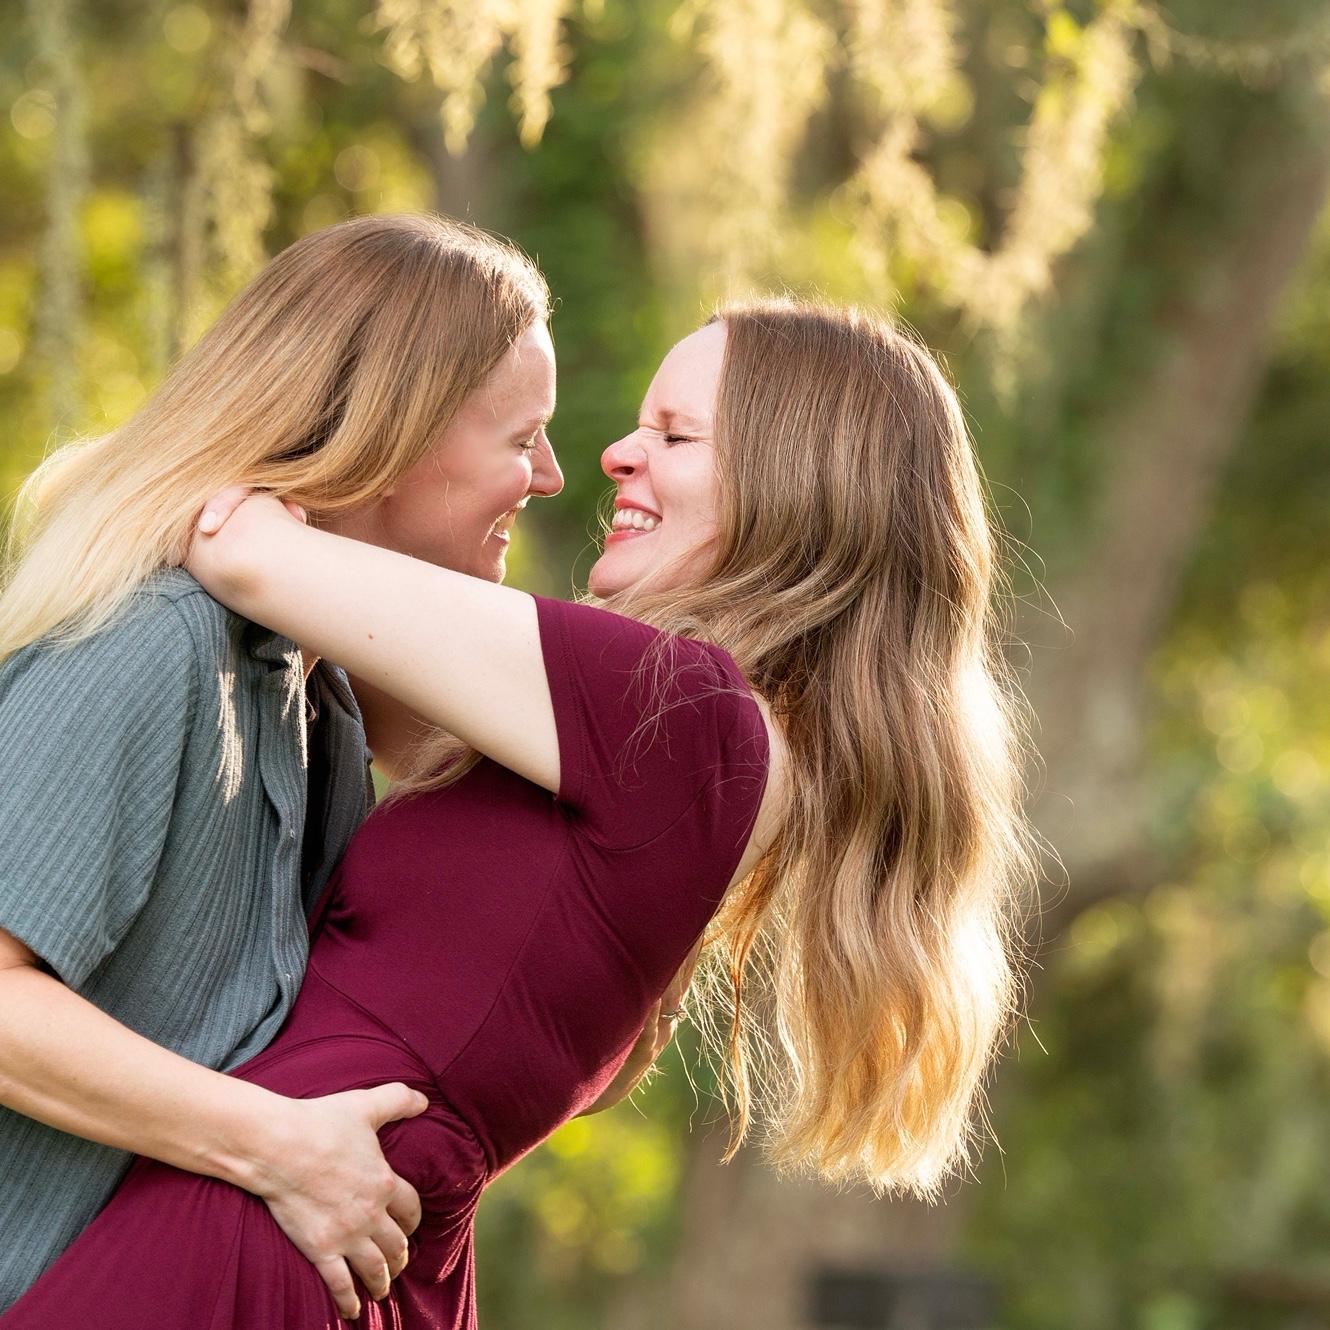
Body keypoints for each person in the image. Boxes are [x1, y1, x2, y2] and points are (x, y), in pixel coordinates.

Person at [1, 300, 1032, 1329]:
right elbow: (371, 693)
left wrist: (279, 413)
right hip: (346, 1237)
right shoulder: (719, 747)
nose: (613, 456)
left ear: (797, 483)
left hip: (265, 1233)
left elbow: (241, 549)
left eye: (676, 436)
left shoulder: (681, 713)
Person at [0, 213, 586, 1319]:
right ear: (394, 435)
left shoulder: (317, 703)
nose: (551, 476)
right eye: (524, 437)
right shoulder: (155, 646)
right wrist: (275, 1145)